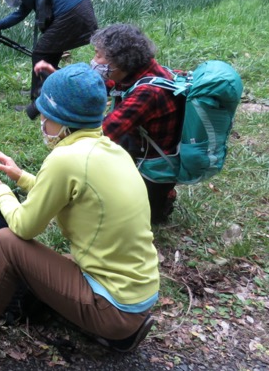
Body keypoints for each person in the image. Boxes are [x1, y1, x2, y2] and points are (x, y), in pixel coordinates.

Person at [0, 63, 160, 355]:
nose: (42, 125)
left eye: (46, 119)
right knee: (44, 261)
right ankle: (119, 335)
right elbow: (70, 194)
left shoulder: (66, 159)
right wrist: (20, 176)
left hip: (112, 308)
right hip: (137, 296)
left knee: (4, 243)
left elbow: (24, 226)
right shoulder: (110, 150)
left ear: (64, 123)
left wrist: (0, 190)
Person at [35, 23, 183, 224]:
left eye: (98, 55)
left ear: (120, 60)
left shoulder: (148, 92)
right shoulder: (133, 72)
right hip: (139, 148)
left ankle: (162, 202)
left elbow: (102, 134)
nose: (94, 61)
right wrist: (61, 81)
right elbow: (96, 88)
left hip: (152, 168)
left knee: (134, 216)